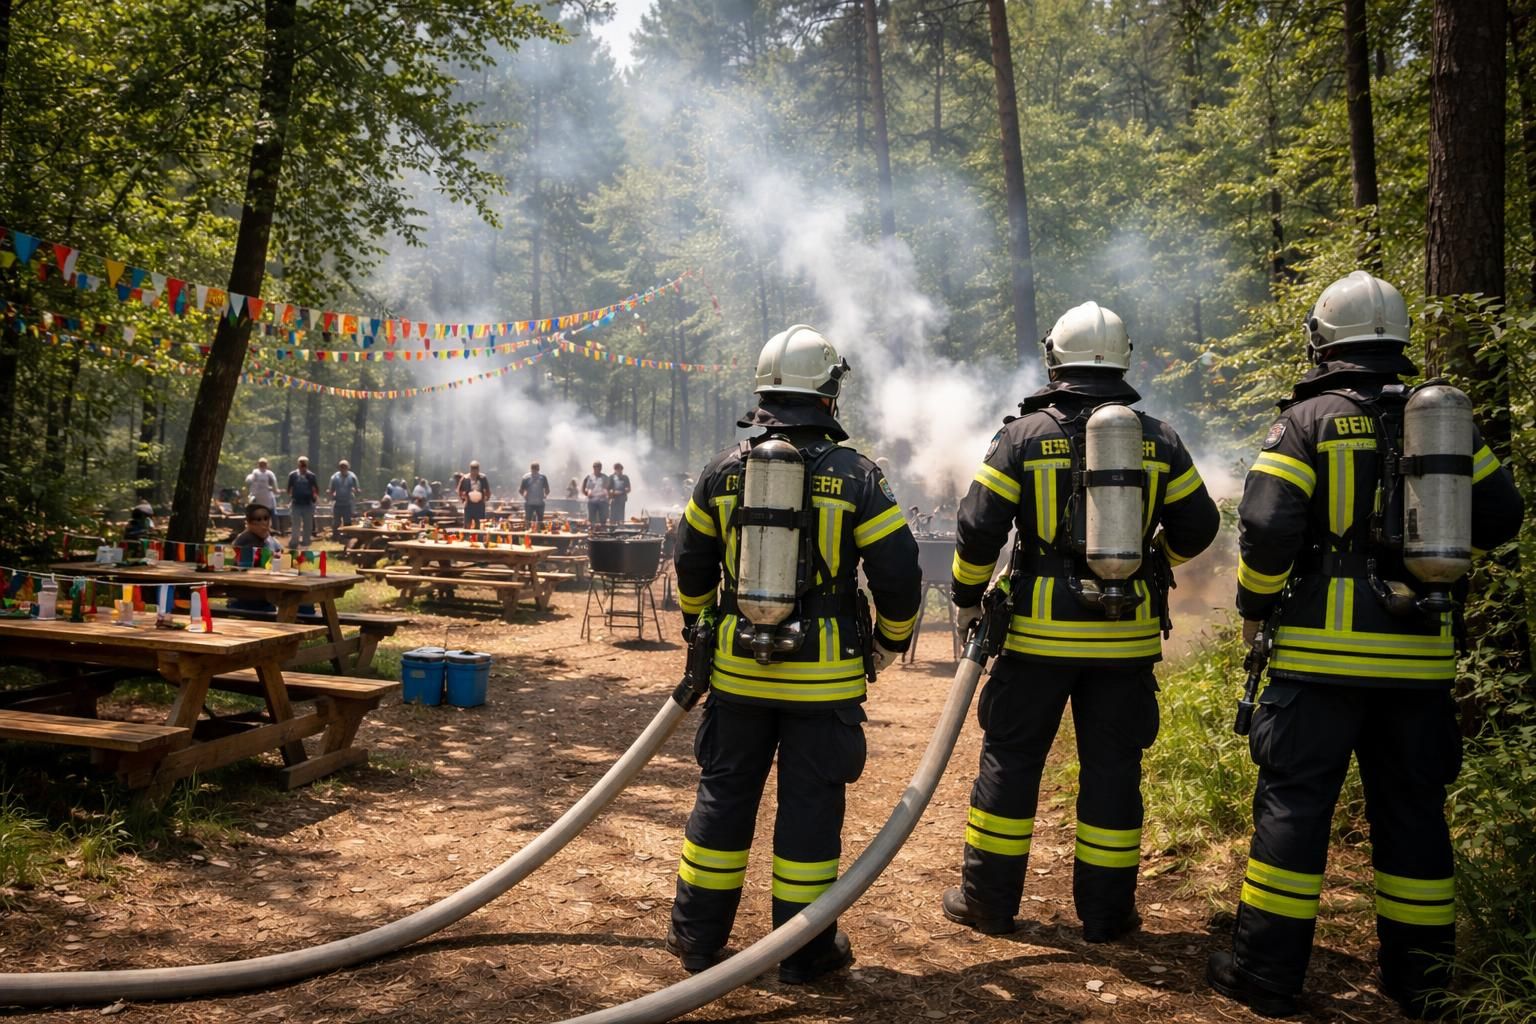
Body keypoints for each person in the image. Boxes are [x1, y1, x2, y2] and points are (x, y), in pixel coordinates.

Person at [1206, 272, 1525, 1020]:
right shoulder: (1443, 420)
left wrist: (1256, 603)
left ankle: (1267, 977)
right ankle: (1423, 983)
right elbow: (1503, 516)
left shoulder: (1307, 420)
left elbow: (1268, 526)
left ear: (1323, 342)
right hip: (1419, 662)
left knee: (1294, 809)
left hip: (1317, 663)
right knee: (1413, 813)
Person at [941, 301, 1220, 942]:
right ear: (1123, 360)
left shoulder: (1023, 436)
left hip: (1036, 640)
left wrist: (964, 598)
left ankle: (988, 902)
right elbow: (1200, 526)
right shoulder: (1158, 438)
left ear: (1054, 359)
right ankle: (1106, 914)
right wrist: (1152, 562)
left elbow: (978, 527)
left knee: (1011, 763)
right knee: (1114, 772)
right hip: (1124, 641)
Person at [666, 324, 922, 985]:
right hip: (824, 680)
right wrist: (892, 640)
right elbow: (898, 572)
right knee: (810, 811)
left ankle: (697, 939)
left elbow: (690, 565)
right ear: (828, 397)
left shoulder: (722, 470)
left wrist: (703, 632)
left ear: (764, 397)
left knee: (723, 798)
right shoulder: (858, 476)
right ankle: (804, 953)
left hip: (737, 671)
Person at [286, 456, 319, 549]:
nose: (302, 466)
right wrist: (291, 497)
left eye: (304, 463)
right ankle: (294, 543)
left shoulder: (311, 476)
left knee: (307, 525)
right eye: (301, 463)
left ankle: (306, 542)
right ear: (298, 464)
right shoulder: (293, 475)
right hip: (296, 503)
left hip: (308, 503)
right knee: (295, 525)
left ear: (307, 464)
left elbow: (315, 489)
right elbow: (289, 489)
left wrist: (314, 498)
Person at [329, 459, 361, 535]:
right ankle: (335, 535)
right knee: (336, 521)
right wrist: (331, 494)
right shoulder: (335, 477)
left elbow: (357, 488)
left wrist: (357, 491)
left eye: (345, 467)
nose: (343, 468)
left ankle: (347, 535)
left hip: (348, 502)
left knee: (347, 520)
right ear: (339, 468)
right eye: (341, 467)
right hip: (338, 502)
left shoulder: (352, 476)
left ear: (348, 467)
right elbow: (331, 489)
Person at [459, 460, 491, 527]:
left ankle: (479, 537)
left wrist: (486, 498)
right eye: (473, 469)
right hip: (469, 505)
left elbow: (487, 490)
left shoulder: (483, 478)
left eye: (476, 469)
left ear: (478, 470)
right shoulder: (465, 478)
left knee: (479, 525)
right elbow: (459, 490)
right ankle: (466, 537)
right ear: (470, 469)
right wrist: (463, 499)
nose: (474, 472)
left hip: (479, 505)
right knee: (467, 524)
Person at [520, 461, 551, 527]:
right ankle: (538, 534)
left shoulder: (526, 477)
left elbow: (520, 490)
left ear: (531, 468)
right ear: (538, 469)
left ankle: (528, 533)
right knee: (539, 522)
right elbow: (547, 490)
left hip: (531, 503)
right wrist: (545, 495)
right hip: (537, 502)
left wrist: (524, 496)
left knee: (528, 521)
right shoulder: (542, 477)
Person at [582, 461, 610, 527]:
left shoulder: (605, 477)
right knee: (591, 518)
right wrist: (588, 492)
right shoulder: (590, 477)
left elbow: (606, 489)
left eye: (598, 467)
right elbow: (587, 488)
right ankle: (592, 530)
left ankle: (603, 530)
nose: (597, 469)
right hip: (592, 501)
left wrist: (604, 493)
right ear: (593, 468)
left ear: (601, 468)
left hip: (602, 501)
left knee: (603, 518)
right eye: (595, 467)